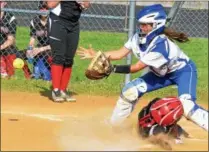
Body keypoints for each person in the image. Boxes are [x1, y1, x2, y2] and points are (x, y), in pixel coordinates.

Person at [77, 4, 208, 131]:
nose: (142, 27)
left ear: (156, 25)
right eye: (141, 24)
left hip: (183, 72)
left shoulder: (160, 47)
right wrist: (98, 54)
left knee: (187, 105)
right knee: (130, 91)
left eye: (146, 25)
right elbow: (120, 52)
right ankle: (114, 126)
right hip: (160, 74)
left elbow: (136, 67)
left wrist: (113, 69)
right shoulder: (138, 38)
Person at [46, 1, 90, 102]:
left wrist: (83, 3)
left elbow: (87, 4)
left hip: (74, 24)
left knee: (69, 58)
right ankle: (56, 90)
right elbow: (50, 4)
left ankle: (63, 90)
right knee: (58, 57)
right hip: (58, 21)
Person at [0, 1, 31, 79]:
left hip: (5, 47)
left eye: (1, 2)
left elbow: (11, 40)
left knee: (18, 54)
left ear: (4, 4)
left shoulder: (10, 18)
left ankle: (28, 75)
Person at [26, 1, 52, 81]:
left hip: (52, 47)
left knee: (46, 54)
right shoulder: (34, 21)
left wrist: (40, 49)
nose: (44, 10)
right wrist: (30, 49)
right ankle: (30, 76)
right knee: (20, 55)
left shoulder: (53, 21)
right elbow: (32, 39)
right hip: (40, 46)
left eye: (46, 8)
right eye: (42, 8)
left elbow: (57, 43)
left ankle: (49, 76)